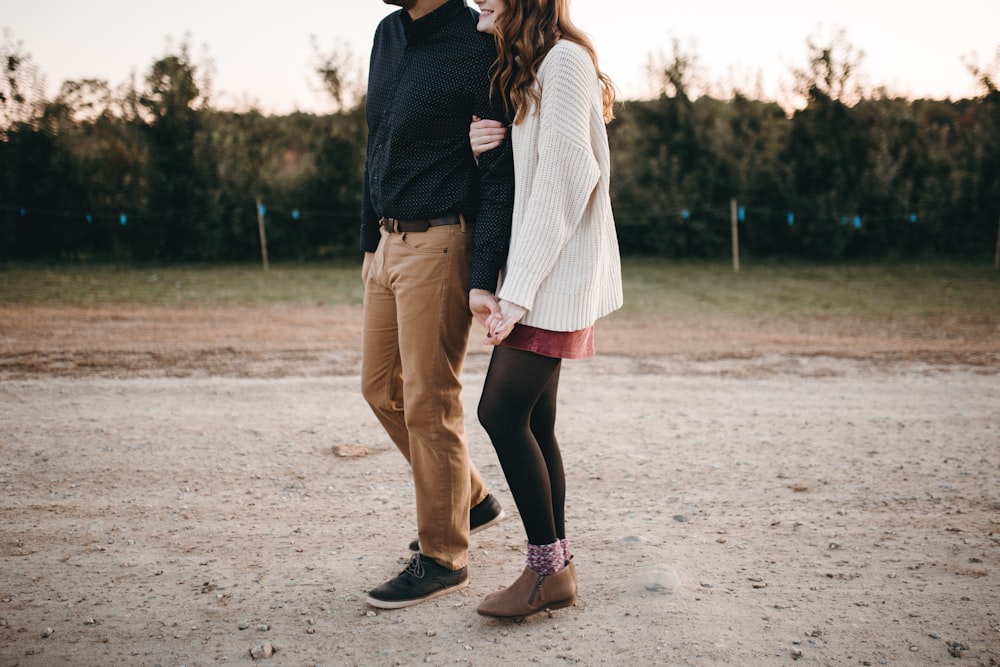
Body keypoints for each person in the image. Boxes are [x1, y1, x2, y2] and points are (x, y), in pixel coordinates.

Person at [466, 0, 623, 619]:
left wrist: (517, 292)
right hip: (545, 276)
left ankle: (546, 572)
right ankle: (557, 568)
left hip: (551, 281)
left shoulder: (562, 62)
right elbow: (532, 176)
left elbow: (564, 181)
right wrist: (490, 151)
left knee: (499, 415)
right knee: (532, 422)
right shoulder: (538, 68)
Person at [360, 0, 515, 609]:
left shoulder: (479, 41)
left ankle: (444, 557)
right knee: (381, 389)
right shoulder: (387, 34)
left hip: (443, 237)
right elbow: (377, 142)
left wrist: (484, 270)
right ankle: (471, 498)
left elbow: (499, 167)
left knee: (431, 399)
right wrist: (368, 236)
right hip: (390, 240)